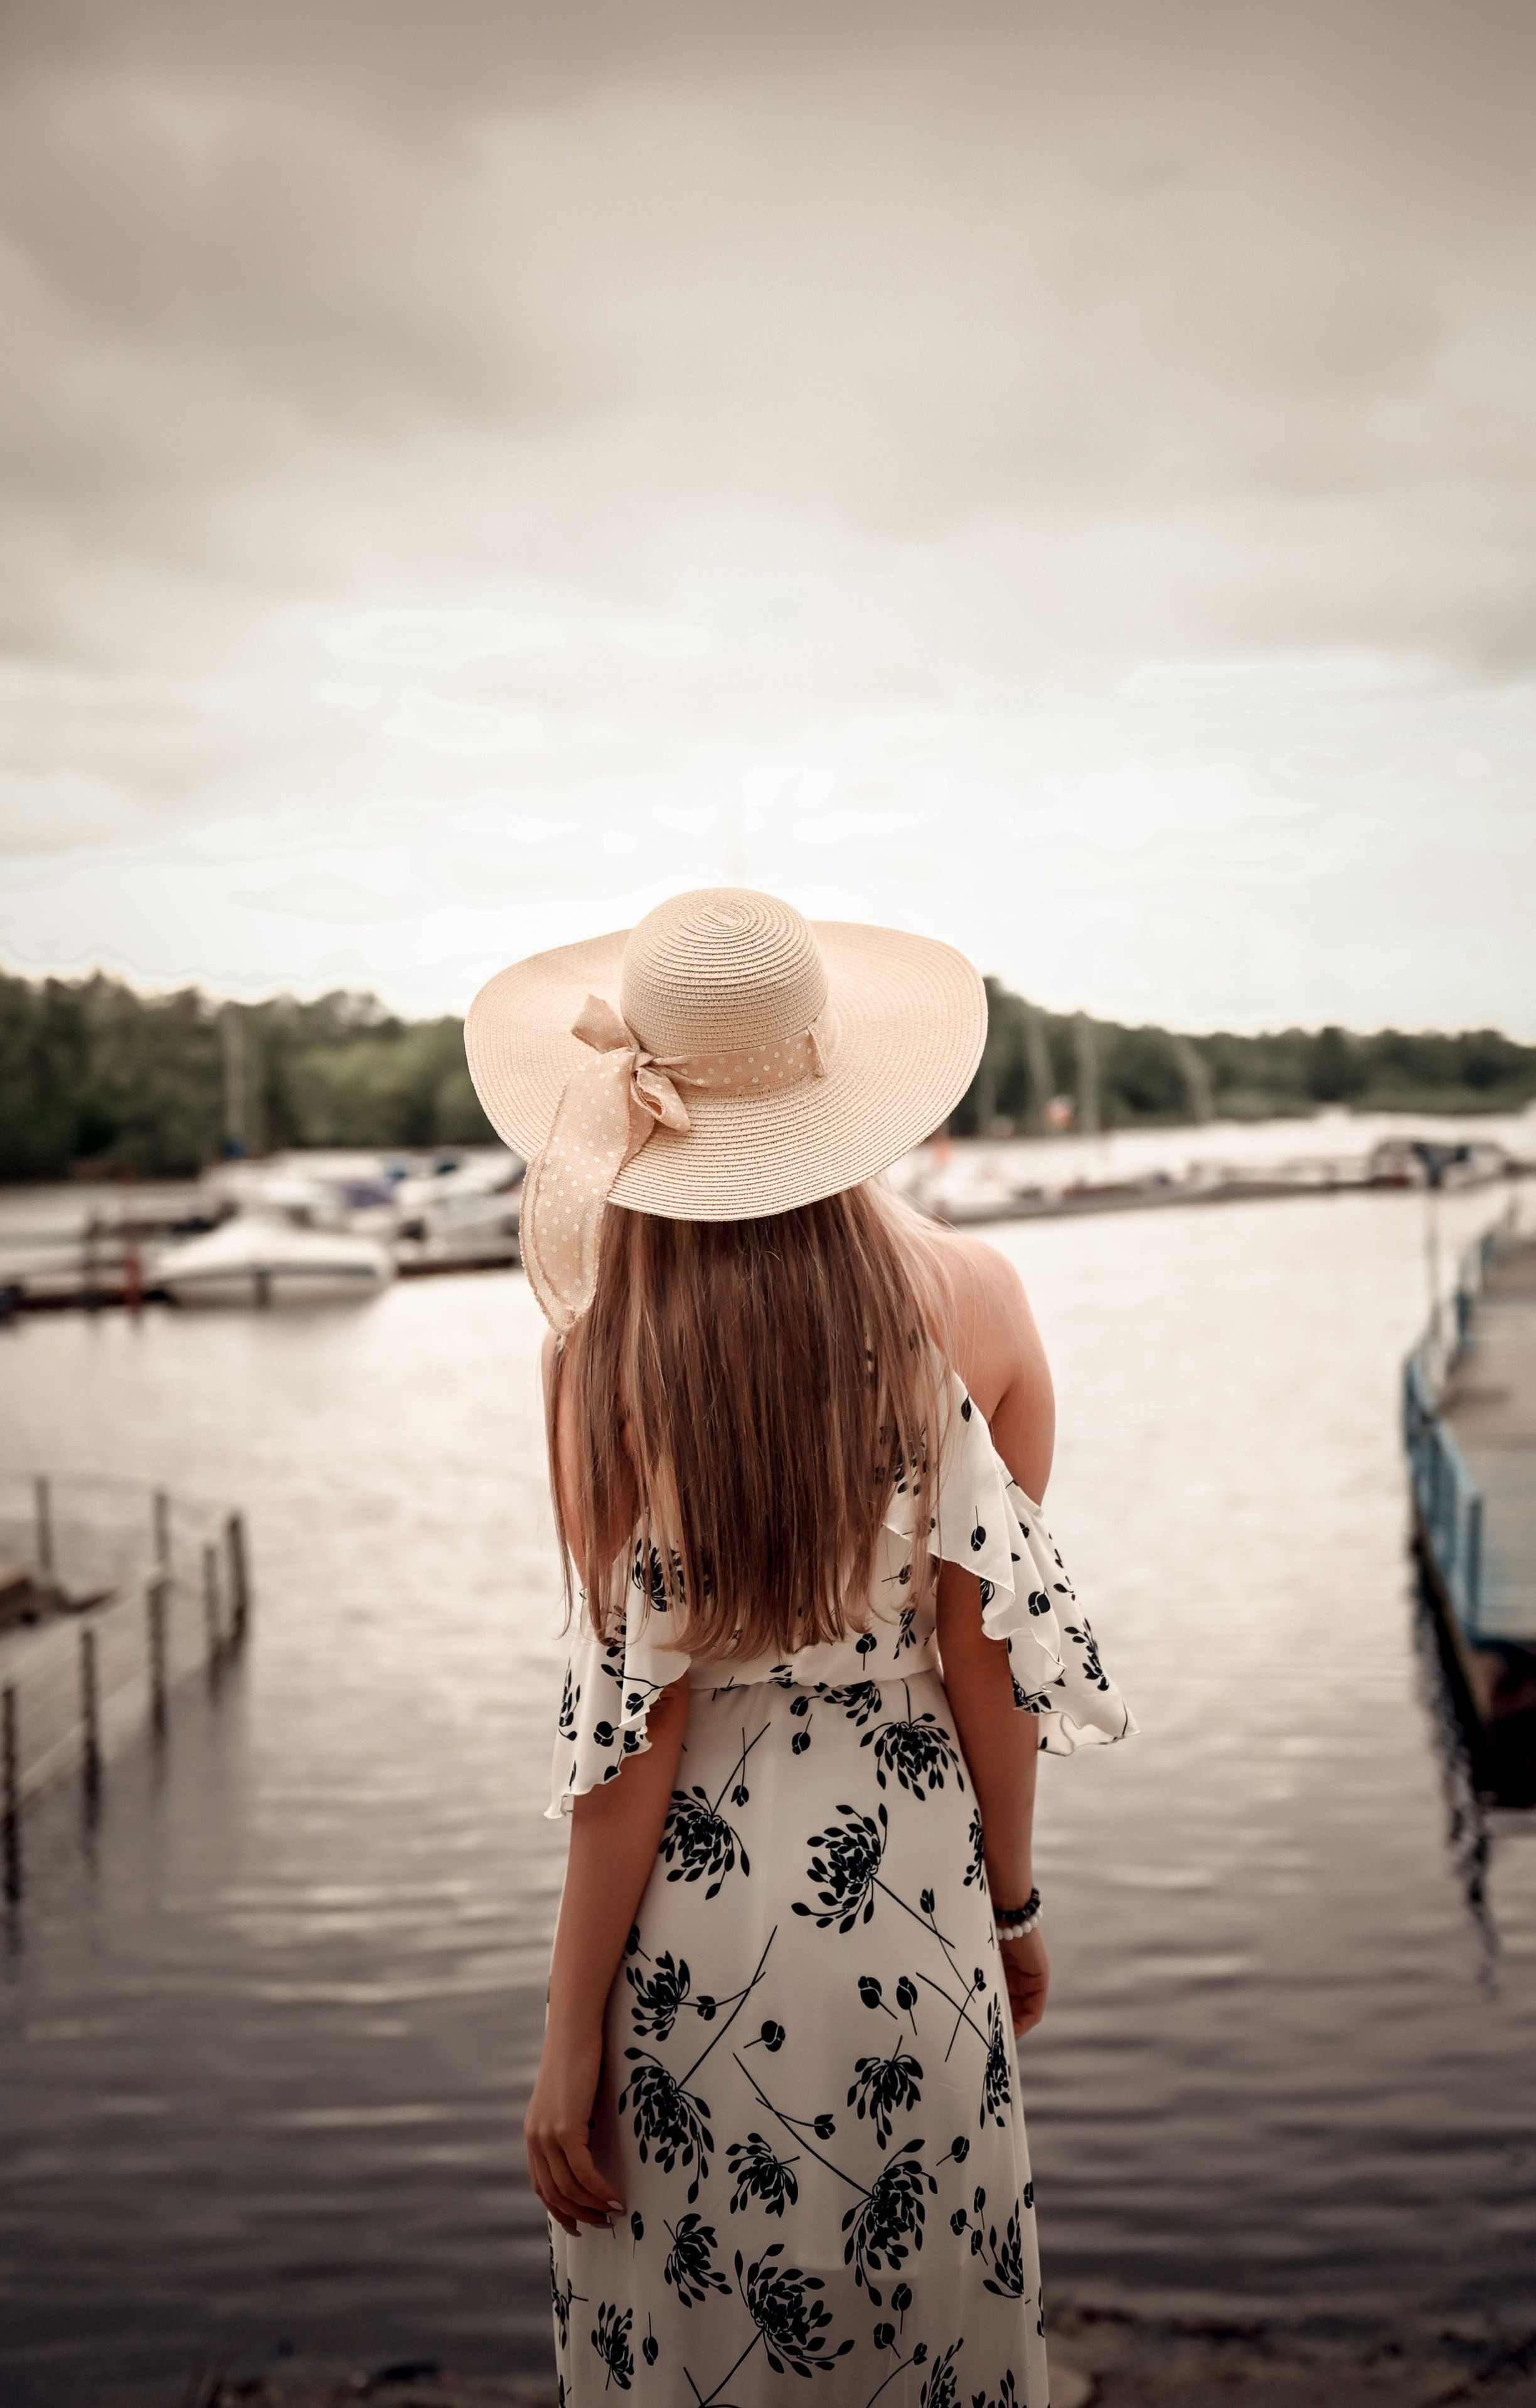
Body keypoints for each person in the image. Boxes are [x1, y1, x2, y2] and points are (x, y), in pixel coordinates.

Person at [465, 888, 1133, 2407]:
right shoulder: (983, 1302)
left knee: (701, 2345)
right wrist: (1013, 1902)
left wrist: (568, 2036)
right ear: (837, 1082)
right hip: (913, 1892)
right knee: (929, 2336)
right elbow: (987, 1661)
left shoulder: (596, 1338)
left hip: (692, 1925)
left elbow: (626, 1724)